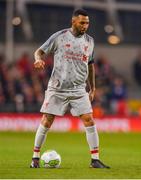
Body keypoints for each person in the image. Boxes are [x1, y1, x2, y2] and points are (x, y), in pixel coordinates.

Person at [30, 9, 110, 169]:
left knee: (89, 120)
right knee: (47, 120)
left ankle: (95, 160)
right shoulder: (59, 37)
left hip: (79, 90)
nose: (85, 26)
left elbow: (90, 65)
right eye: (82, 22)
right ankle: (35, 158)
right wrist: (38, 59)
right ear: (73, 21)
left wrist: (92, 88)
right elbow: (39, 51)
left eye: (87, 23)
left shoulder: (90, 41)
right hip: (57, 88)